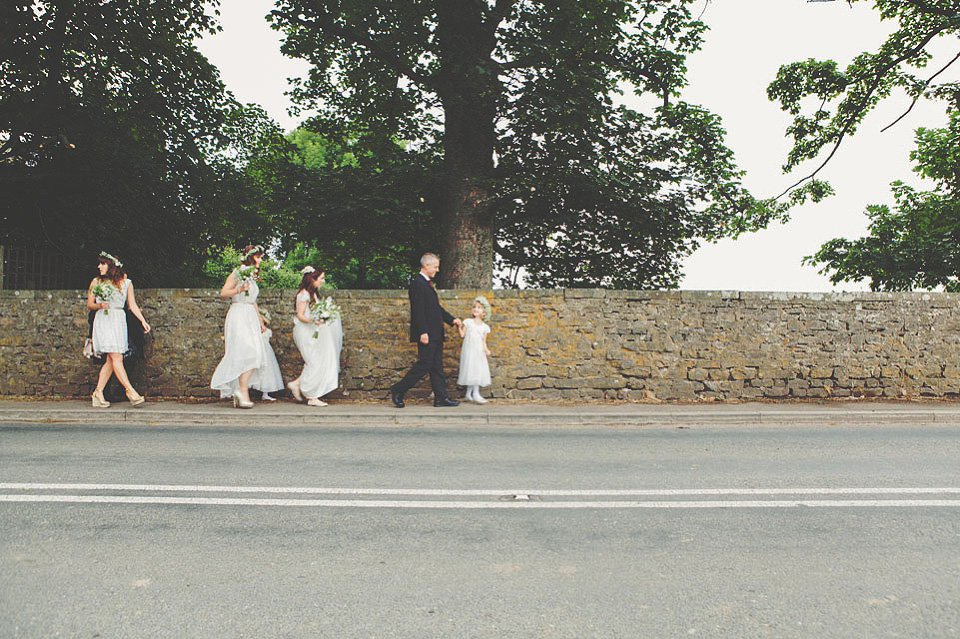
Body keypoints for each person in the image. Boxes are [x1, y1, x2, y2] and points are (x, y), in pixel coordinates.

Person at [390, 253, 462, 408]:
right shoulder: (418, 283)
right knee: (425, 364)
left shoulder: (427, 284)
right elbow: (418, 310)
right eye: (435, 267)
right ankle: (398, 389)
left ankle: (441, 398)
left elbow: (435, 309)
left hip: (435, 332)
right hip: (427, 333)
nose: (437, 270)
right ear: (426, 265)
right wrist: (423, 332)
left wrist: (452, 320)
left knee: (437, 367)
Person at [87, 251, 150, 407]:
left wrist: (143, 321)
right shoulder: (96, 282)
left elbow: (132, 305)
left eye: (102, 263)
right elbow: (90, 304)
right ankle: (130, 391)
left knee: (111, 359)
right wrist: (99, 305)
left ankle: (98, 393)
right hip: (104, 320)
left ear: (111, 266)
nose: (99, 266)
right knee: (117, 358)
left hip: (118, 320)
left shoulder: (126, 282)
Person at [210, 244, 268, 408]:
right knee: (245, 351)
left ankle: (241, 392)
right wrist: (239, 289)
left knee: (255, 353)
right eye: (258, 256)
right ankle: (242, 392)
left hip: (249, 314)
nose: (261, 260)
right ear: (250, 257)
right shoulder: (238, 273)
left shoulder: (251, 276)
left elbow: (253, 300)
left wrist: (260, 320)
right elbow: (223, 293)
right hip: (238, 315)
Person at [288, 266, 342, 407]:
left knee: (317, 361)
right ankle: (311, 396)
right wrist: (314, 320)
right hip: (305, 331)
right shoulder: (303, 294)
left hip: (313, 331)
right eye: (321, 278)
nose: (323, 281)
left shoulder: (315, 295)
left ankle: (297, 384)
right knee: (314, 362)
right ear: (312, 279)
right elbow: (300, 316)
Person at [458, 296, 492, 403]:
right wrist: (458, 326)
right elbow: (462, 335)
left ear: (484, 312)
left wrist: (486, 349)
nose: (476, 309)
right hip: (469, 350)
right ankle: (471, 394)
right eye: (474, 307)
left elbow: (483, 341)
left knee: (477, 369)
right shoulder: (468, 322)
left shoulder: (484, 327)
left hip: (479, 351)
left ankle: (473, 393)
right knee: (470, 369)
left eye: (479, 307)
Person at [254, 308, 284, 401]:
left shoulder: (267, 330)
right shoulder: (254, 330)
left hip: (266, 352)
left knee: (267, 371)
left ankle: (265, 393)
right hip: (256, 350)